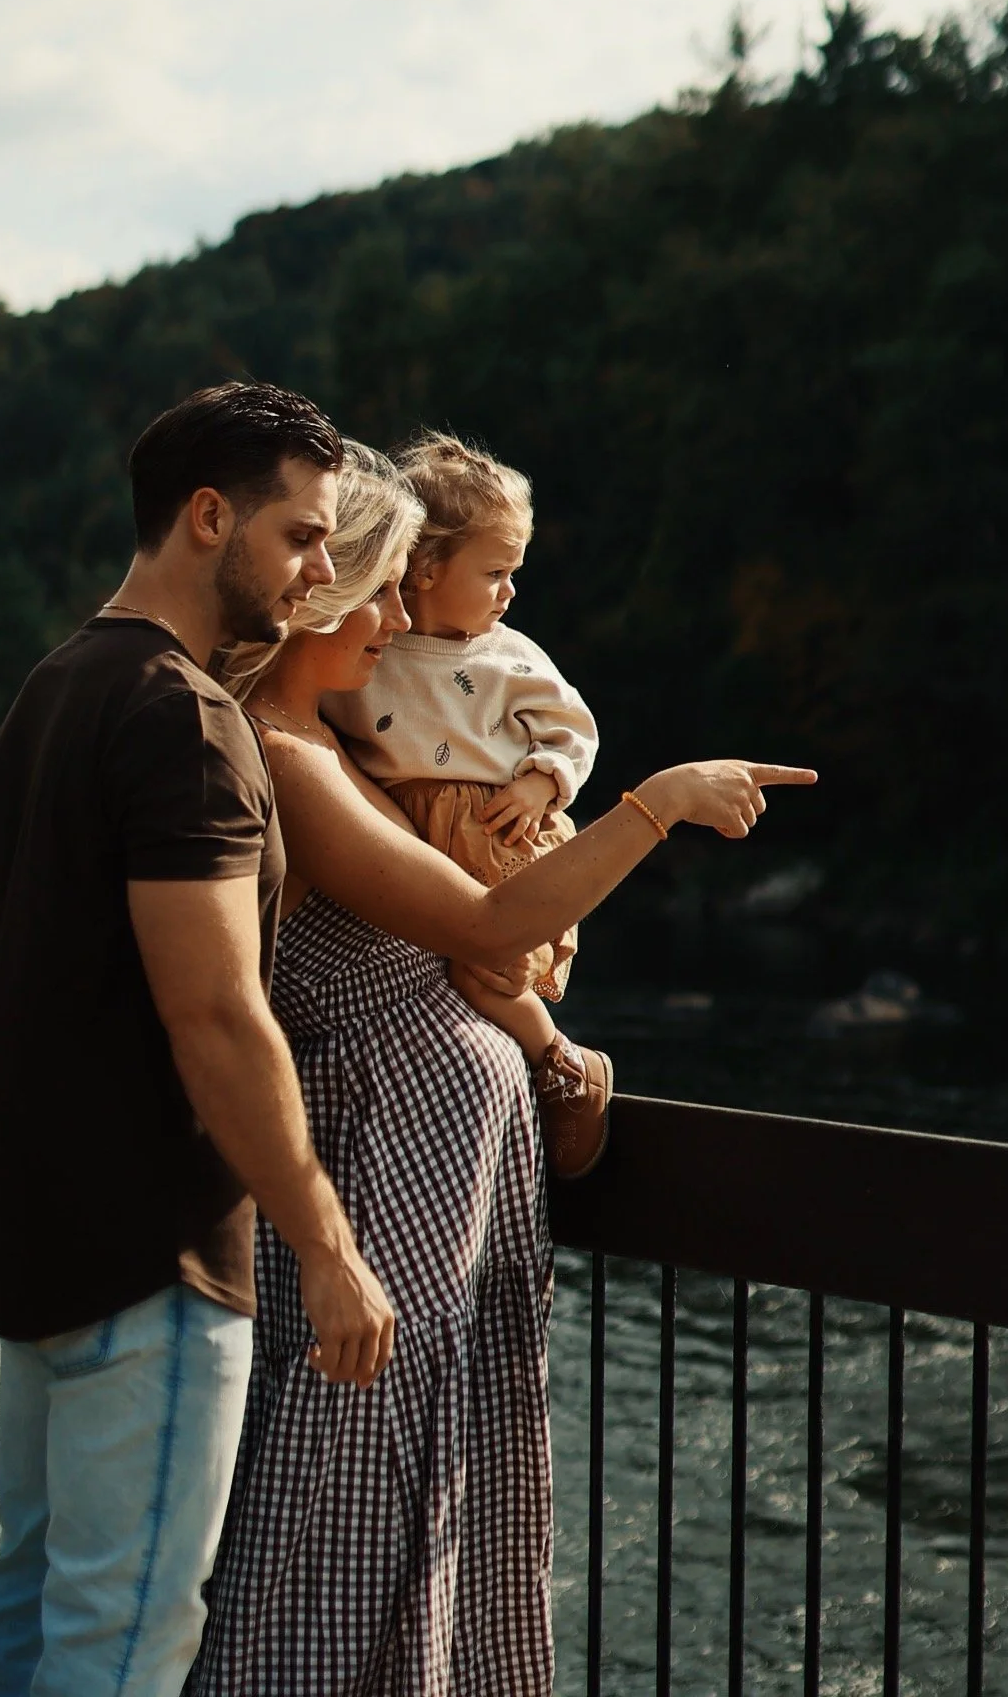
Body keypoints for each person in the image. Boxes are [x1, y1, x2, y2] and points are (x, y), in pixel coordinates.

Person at [191, 441, 816, 1696]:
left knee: (430, 1512)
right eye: (371, 595)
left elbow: (488, 914)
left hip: (443, 1195)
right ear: (316, 605)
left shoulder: (359, 752)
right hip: (375, 1187)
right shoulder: (295, 757)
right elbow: (490, 927)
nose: (393, 622)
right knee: (331, 1512)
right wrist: (657, 803)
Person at [0, 383, 395, 1697]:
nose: (321, 573)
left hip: (38, 1240)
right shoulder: (185, 720)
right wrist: (323, 1245)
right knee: (123, 1641)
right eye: (304, 537)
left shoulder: (56, 687)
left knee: (26, 1603)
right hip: (150, 1265)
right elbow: (213, 1015)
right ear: (211, 518)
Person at [321, 429, 612, 1177]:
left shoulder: (507, 653)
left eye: (512, 573)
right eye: (494, 573)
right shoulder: (371, 642)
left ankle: (562, 1063)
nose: (509, 592)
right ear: (421, 568)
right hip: (411, 830)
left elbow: (572, 727)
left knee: (484, 970)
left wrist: (541, 782)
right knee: (428, 963)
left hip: (492, 829)